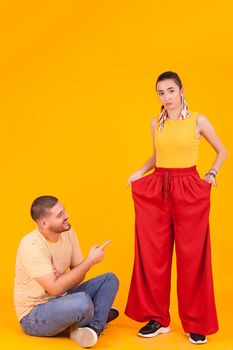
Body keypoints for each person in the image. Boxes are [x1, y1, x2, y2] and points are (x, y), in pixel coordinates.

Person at [125, 71, 226, 344]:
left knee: (192, 257)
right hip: (158, 188)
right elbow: (158, 156)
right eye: (161, 93)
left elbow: (222, 151)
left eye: (171, 91)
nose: (166, 97)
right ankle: (158, 318)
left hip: (189, 187)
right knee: (153, 253)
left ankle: (195, 322)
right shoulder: (155, 123)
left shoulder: (198, 120)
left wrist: (212, 174)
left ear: (181, 90)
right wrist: (139, 172)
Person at [14, 196, 119, 348]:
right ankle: (96, 316)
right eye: (60, 215)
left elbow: (78, 274)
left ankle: (94, 327)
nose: (66, 216)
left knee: (109, 279)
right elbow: (56, 289)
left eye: (64, 210)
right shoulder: (31, 245)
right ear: (45, 223)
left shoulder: (67, 231)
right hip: (34, 314)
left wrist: (62, 279)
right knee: (83, 302)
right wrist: (90, 261)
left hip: (62, 298)